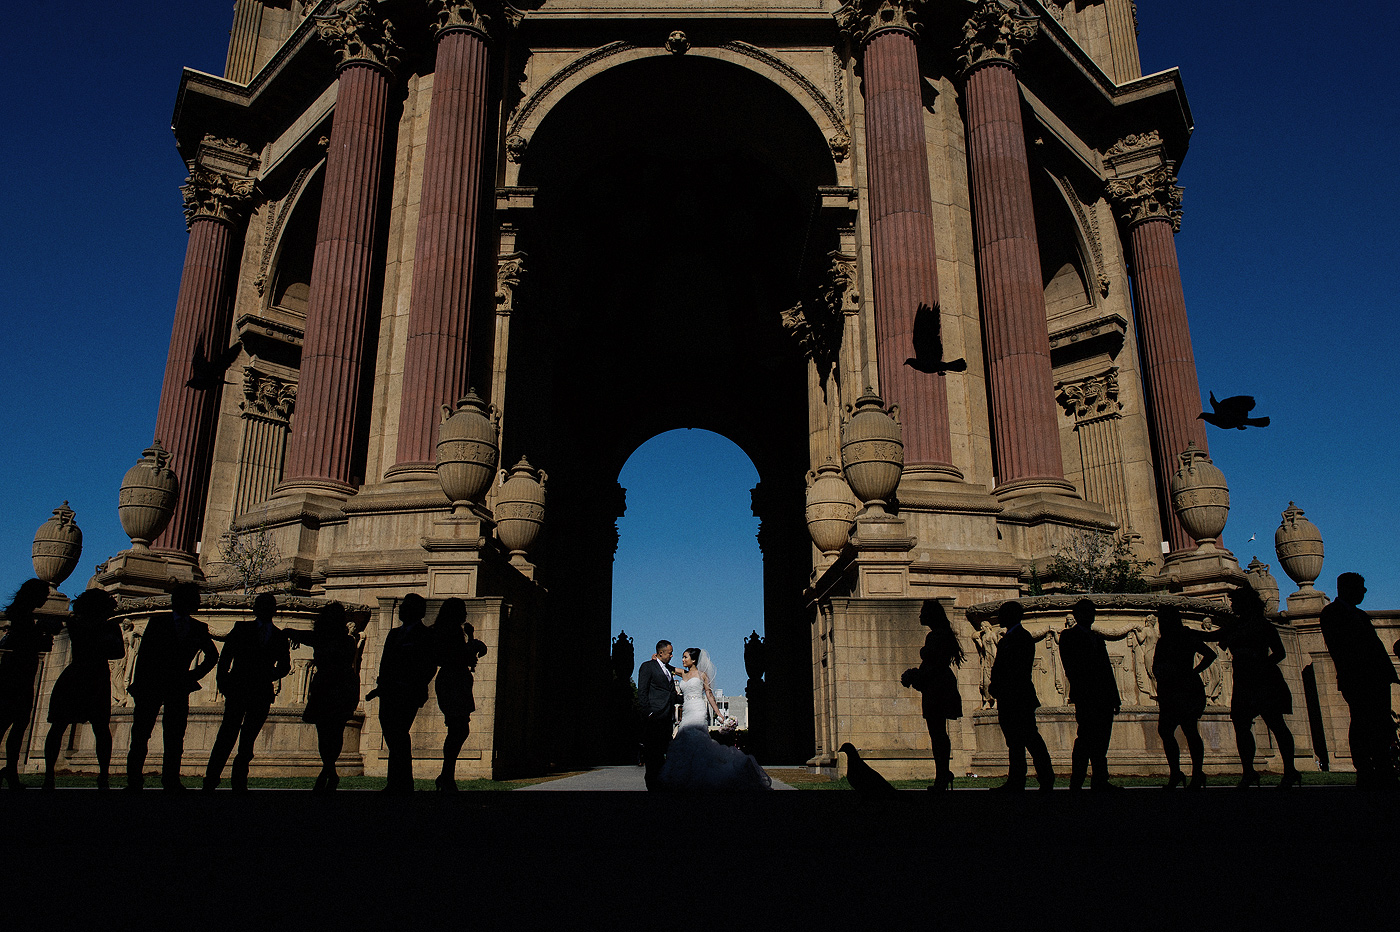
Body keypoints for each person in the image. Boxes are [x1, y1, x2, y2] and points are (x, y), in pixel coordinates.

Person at [126, 582, 219, 791]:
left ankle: (171, 779)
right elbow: (144, 657)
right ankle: (134, 780)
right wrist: (139, 686)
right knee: (141, 734)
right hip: (152, 685)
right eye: (195, 599)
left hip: (178, 686)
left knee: (175, 735)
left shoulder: (198, 627)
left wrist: (193, 675)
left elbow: (212, 656)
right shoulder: (157, 623)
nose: (198, 602)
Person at [203, 593, 291, 792]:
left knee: (247, 740)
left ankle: (239, 781)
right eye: (262, 606)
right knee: (226, 735)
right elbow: (225, 659)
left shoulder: (278, 636)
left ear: (274, 610)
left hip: (261, 693)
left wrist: (269, 674)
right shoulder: (241, 629)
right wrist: (224, 684)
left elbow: (285, 665)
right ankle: (211, 779)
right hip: (238, 690)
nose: (266, 610)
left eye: (270, 606)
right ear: (256, 609)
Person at [1319, 573, 1398, 789]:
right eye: (1361, 587)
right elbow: (1343, 649)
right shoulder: (1333, 614)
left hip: (1376, 678)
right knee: (1362, 723)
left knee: (1380, 723)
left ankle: (1382, 766)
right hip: (1358, 678)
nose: (1364, 591)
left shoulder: (1359, 614)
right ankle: (1365, 768)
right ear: (1347, 588)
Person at [42, 589, 124, 790]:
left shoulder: (82, 623)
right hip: (91, 674)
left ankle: (53, 776)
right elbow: (116, 651)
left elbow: (118, 652)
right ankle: (100, 776)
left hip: (82, 673)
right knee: (90, 727)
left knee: (75, 727)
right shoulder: (105, 626)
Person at [1220, 585, 1300, 789]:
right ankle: (1249, 771)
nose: (1232, 605)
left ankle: (1289, 770)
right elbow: (1213, 637)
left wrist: (1260, 663)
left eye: (1235, 602)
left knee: (1275, 724)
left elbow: (1280, 653)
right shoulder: (1236, 626)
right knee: (1242, 724)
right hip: (1244, 681)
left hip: (1263, 679)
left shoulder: (1263, 626)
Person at [657, 648, 771, 791]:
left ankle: (701, 775)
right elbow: (668, 667)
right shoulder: (682, 673)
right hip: (686, 711)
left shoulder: (702, 675)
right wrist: (657, 658)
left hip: (698, 710)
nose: (682, 659)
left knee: (697, 740)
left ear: (693, 660)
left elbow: (709, 695)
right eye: (682, 657)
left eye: (685, 657)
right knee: (684, 739)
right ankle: (687, 776)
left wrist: (718, 714)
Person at [291, 601, 369, 792]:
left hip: (329, 686)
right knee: (334, 730)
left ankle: (328, 770)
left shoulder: (324, 639)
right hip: (341, 686)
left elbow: (303, 635)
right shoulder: (344, 640)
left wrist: (290, 633)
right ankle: (329, 770)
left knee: (325, 731)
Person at [369, 594, 436, 793]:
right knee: (394, 735)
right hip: (389, 692)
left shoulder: (425, 635)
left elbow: (429, 665)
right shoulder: (393, 634)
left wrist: (416, 685)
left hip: (407, 693)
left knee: (398, 735)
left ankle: (401, 782)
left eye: (406, 606)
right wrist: (381, 686)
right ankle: (399, 781)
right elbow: (385, 662)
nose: (401, 609)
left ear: (417, 611)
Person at [0, 579, 60, 790]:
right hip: (18, 675)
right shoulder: (23, 617)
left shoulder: (20, 614)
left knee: (14, 724)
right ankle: (10, 771)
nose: (46, 598)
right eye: (43, 594)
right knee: (14, 724)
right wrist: (41, 634)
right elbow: (22, 643)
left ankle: (10, 771)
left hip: (18, 674)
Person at [988, 601, 1054, 791]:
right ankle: (1017, 779)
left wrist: (1001, 684)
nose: (998, 617)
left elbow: (1017, 669)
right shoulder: (1007, 638)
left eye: (1001, 614)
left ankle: (1045, 777)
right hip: (1008, 697)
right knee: (1015, 742)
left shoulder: (1021, 637)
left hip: (1018, 697)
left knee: (1030, 738)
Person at [1058, 599, 1121, 791]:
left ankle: (1099, 779)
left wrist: (1114, 696)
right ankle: (1078, 779)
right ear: (1077, 615)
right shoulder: (1069, 636)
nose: (1090, 616)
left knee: (1101, 739)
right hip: (1087, 695)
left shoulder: (1097, 638)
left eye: (1092, 612)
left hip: (1103, 696)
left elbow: (1107, 670)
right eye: (1086, 612)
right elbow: (1071, 667)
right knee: (1085, 738)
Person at [901, 600, 964, 791]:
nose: (920, 616)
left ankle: (942, 776)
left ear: (931, 615)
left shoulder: (935, 637)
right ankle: (943, 774)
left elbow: (934, 667)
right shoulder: (940, 635)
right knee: (938, 733)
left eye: (922, 612)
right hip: (940, 685)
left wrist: (914, 676)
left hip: (938, 688)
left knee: (937, 734)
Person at [1152, 606, 1217, 789]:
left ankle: (1190, 773)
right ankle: (1184, 773)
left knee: (1183, 730)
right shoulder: (1172, 639)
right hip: (1178, 687)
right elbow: (1210, 654)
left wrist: (1193, 671)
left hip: (1182, 688)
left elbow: (1210, 654)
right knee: (1174, 730)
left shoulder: (1177, 638)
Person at [432, 598, 488, 791]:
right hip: (453, 680)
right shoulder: (449, 630)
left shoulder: (451, 630)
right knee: (459, 728)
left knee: (458, 729)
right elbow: (455, 655)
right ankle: (446, 775)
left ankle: (447, 775)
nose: (465, 614)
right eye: (462, 610)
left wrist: (471, 639)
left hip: (456, 680)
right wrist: (472, 645)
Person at [637, 639, 682, 791]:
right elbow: (642, 691)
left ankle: (661, 785)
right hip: (654, 717)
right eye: (670, 653)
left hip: (667, 718)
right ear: (661, 653)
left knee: (664, 753)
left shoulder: (668, 669)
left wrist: (689, 697)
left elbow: (672, 694)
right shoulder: (647, 667)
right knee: (652, 755)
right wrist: (648, 713)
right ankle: (652, 786)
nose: (672, 655)